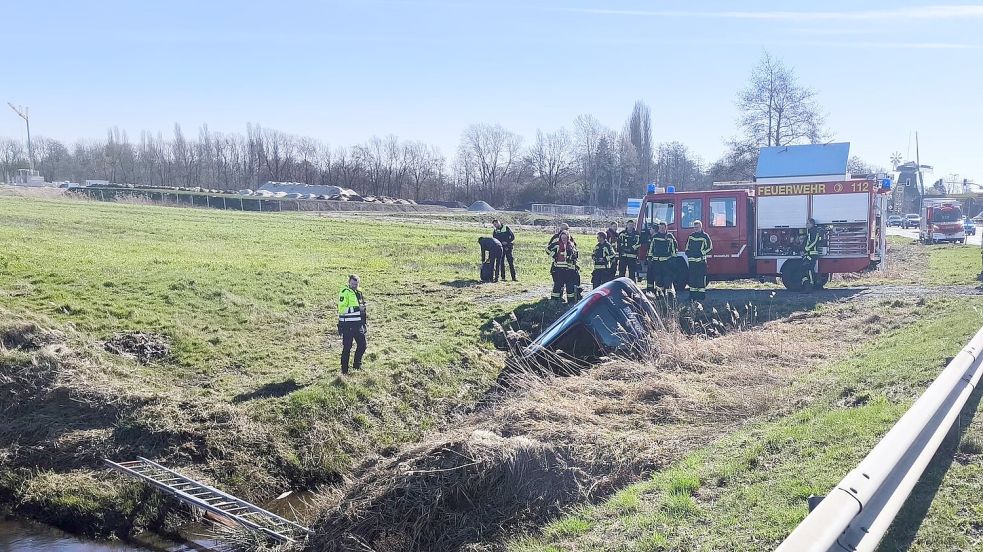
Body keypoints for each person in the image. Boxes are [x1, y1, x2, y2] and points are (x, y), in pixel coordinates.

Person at [338, 274, 367, 374]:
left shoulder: (359, 292)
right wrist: (356, 309)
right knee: (347, 347)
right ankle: (344, 371)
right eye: (353, 284)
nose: (354, 285)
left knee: (363, 345)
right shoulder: (344, 292)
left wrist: (364, 323)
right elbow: (342, 309)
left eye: (356, 284)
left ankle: (357, 366)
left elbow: (363, 310)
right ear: (349, 282)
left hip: (358, 325)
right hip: (347, 325)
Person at [547, 230, 580, 303]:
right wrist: (554, 255)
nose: (564, 240)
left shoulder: (572, 245)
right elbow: (547, 249)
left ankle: (571, 301)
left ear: (568, 238)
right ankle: (555, 300)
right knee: (558, 285)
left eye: (565, 238)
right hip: (559, 269)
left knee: (570, 286)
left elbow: (576, 255)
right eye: (562, 238)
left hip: (569, 269)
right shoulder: (557, 244)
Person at [685, 220, 713, 301]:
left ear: (701, 227)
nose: (695, 229)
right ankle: (692, 296)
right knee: (692, 279)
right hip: (692, 262)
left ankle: (701, 296)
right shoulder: (691, 236)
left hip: (701, 262)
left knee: (701, 279)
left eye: (697, 227)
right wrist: (688, 253)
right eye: (694, 227)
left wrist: (701, 253)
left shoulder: (705, 236)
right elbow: (687, 247)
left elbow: (710, 247)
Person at [647, 221, 678, 294]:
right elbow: (650, 248)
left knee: (667, 279)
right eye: (660, 228)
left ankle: (669, 295)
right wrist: (649, 258)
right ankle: (660, 294)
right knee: (658, 279)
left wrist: (673, 260)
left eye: (663, 228)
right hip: (656, 262)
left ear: (666, 228)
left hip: (667, 262)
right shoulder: (655, 237)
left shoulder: (670, 237)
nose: (662, 229)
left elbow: (674, 248)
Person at [801, 218, 822, 289]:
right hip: (809, 254)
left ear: (812, 224)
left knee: (809, 269)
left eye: (808, 223)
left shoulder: (815, 232)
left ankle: (810, 285)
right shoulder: (810, 232)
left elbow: (815, 241)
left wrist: (807, 248)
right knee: (806, 268)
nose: (806, 224)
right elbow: (807, 242)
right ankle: (807, 285)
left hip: (812, 254)